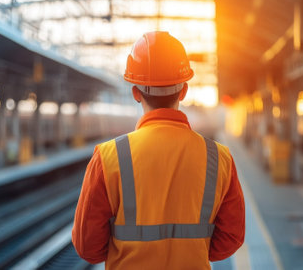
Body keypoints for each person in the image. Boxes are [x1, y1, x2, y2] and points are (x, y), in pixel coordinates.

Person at [72, 31, 245, 269]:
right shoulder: (220, 157)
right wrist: (192, 250)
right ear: (183, 91)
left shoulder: (108, 156)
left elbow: (87, 247)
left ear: (135, 93)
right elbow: (231, 238)